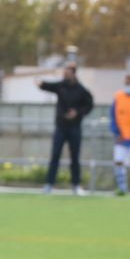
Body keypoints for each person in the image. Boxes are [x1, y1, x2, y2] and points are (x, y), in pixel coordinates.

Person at [39, 62, 94, 194]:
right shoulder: (61, 86)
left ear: (74, 73)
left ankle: (76, 185)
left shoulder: (81, 90)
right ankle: (49, 184)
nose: (66, 74)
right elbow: (48, 86)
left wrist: (77, 113)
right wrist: (40, 84)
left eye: (68, 72)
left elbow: (89, 105)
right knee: (55, 155)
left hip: (74, 128)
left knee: (75, 157)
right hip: (61, 127)